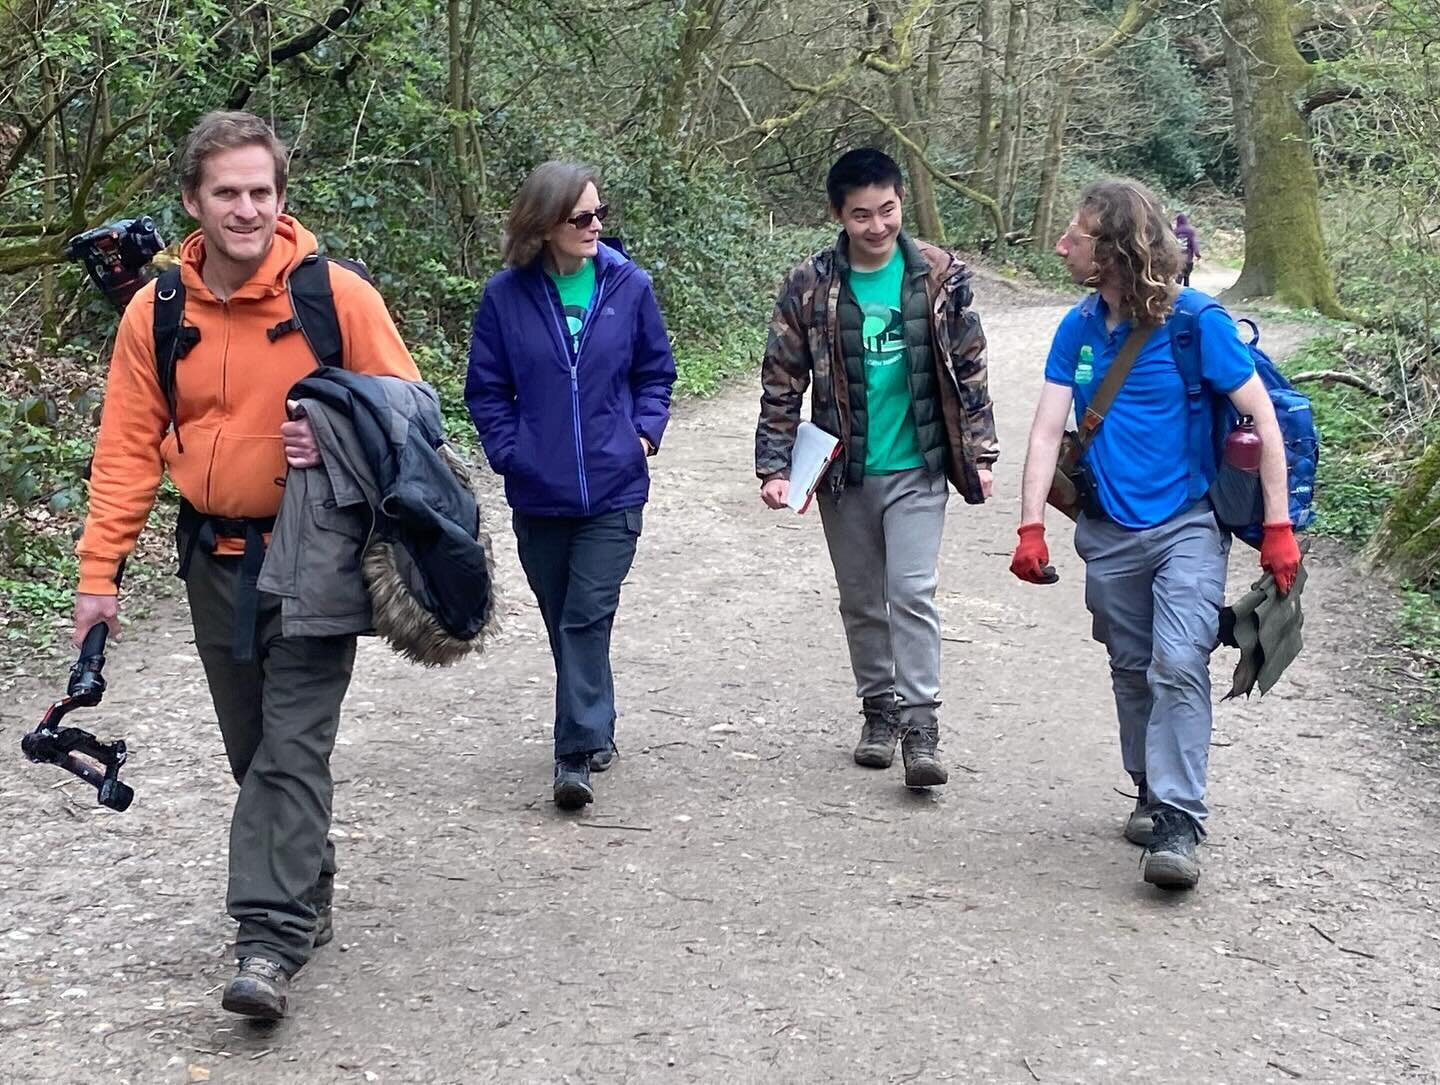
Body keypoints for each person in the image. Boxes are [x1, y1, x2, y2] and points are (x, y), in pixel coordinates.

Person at [72, 111, 421, 1018]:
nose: (247, 208)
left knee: (291, 742)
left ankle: (267, 937)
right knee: (253, 747)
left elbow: (412, 420)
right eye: (227, 192)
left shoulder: (336, 297)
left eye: (262, 191)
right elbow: (124, 450)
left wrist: (339, 427)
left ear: (281, 196)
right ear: (193, 200)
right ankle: (307, 878)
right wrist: (99, 577)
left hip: (321, 553)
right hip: (213, 559)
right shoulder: (156, 312)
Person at [1009, 179, 1301, 890]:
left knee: (1177, 660)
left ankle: (1178, 818)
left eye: (1074, 235)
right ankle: (1145, 784)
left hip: (1187, 526)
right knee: (1131, 664)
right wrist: (1029, 525)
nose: (1061, 245)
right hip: (1107, 531)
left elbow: (1261, 420)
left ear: (1113, 249)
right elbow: (1048, 428)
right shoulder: (1076, 326)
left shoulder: (1195, 322)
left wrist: (1278, 526)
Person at [755, 148, 998, 789]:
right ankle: (878, 711)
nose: (877, 226)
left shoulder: (940, 275)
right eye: (861, 215)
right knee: (863, 600)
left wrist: (980, 451)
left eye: (887, 210)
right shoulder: (810, 284)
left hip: (919, 465)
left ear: (900, 204)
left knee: (911, 595)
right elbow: (782, 377)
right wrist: (774, 465)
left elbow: (968, 367)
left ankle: (922, 727)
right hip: (846, 471)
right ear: (838, 215)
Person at [466, 161, 676, 812]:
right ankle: (596, 719)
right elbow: (487, 389)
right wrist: (511, 452)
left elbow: (656, 371)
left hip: (615, 489)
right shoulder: (506, 296)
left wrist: (643, 434)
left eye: (599, 214)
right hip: (540, 489)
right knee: (565, 618)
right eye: (580, 217)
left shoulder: (629, 285)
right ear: (544, 224)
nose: (594, 226)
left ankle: (573, 751)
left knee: (587, 612)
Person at [1173, 212, 1201, 286]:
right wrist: (1197, 254)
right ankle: (1186, 292)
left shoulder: (1175, 231)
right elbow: (1194, 242)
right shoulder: (1191, 231)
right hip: (1188, 259)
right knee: (1186, 278)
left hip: (1178, 259)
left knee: (1178, 279)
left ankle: (1177, 295)